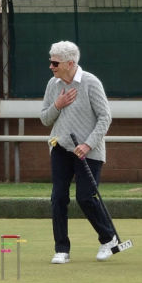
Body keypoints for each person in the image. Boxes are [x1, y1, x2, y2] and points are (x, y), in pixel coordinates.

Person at [40, 40, 116, 264]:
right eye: (51, 61)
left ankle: (108, 238)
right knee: (58, 197)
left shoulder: (91, 83)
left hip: (88, 151)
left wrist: (88, 144)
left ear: (70, 63)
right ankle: (61, 249)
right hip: (60, 147)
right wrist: (58, 104)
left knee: (85, 197)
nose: (51, 66)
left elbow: (105, 117)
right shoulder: (53, 85)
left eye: (55, 62)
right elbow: (45, 118)